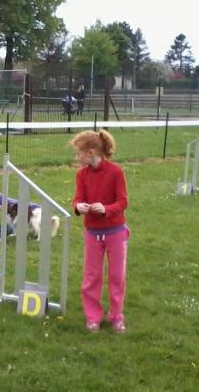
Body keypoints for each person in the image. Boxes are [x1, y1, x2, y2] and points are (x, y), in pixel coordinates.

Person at [70, 130, 129, 333]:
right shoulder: (81, 174)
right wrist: (79, 207)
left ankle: (116, 317)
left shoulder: (116, 172)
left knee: (116, 276)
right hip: (92, 233)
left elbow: (123, 202)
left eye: (79, 153)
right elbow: (77, 198)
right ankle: (93, 317)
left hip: (116, 232)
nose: (77, 157)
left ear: (92, 152)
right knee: (91, 277)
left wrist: (106, 209)